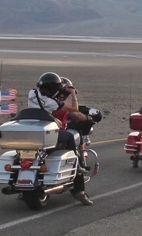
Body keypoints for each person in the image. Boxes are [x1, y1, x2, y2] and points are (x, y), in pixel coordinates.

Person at [27, 71, 95, 205]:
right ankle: (79, 191)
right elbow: (75, 110)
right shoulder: (52, 103)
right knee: (70, 139)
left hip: (33, 130)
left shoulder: (32, 93)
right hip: (47, 133)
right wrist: (73, 94)